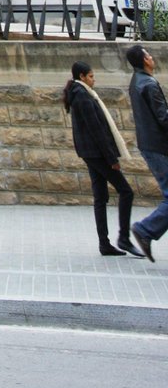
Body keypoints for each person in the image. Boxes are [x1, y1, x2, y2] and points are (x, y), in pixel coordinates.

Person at [64, 60, 140, 256]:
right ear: (81, 76)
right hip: (97, 154)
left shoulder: (80, 94)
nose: (93, 80)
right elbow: (96, 130)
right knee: (126, 192)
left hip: (90, 153)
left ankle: (104, 244)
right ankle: (123, 238)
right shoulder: (83, 96)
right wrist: (112, 159)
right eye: (91, 76)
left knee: (100, 197)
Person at [125, 44, 168, 260]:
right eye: (148, 55)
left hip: (150, 145)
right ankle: (145, 230)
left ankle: (146, 231)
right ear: (144, 61)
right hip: (158, 146)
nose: (152, 57)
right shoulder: (149, 84)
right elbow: (164, 118)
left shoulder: (137, 81)